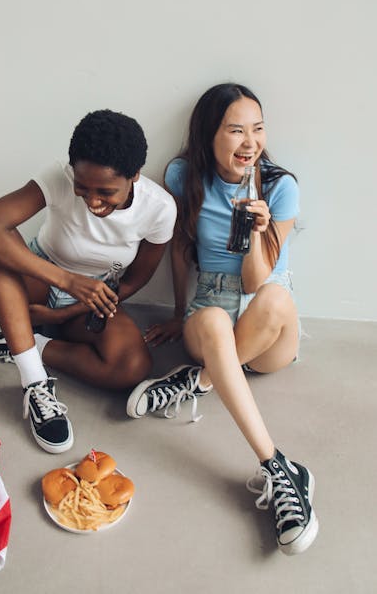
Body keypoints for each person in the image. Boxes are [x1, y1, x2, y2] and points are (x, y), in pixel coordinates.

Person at [126, 83, 318, 555]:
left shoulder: (279, 186)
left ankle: (203, 383)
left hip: (267, 325)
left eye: (257, 129)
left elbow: (255, 283)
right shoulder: (182, 176)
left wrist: (257, 226)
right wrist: (176, 313)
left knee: (274, 298)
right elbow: (175, 247)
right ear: (209, 135)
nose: (250, 142)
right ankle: (277, 464)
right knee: (211, 321)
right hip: (210, 302)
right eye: (236, 130)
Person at [0, 109, 176, 454]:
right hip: (41, 277)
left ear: (134, 175)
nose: (92, 201)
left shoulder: (160, 209)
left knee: (133, 367)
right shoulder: (57, 176)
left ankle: (21, 344)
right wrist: (67, 281)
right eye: (82, 188)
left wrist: (65, 312)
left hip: (94, 297)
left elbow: (137, 278)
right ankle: (35, 381)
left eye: (105, 192)